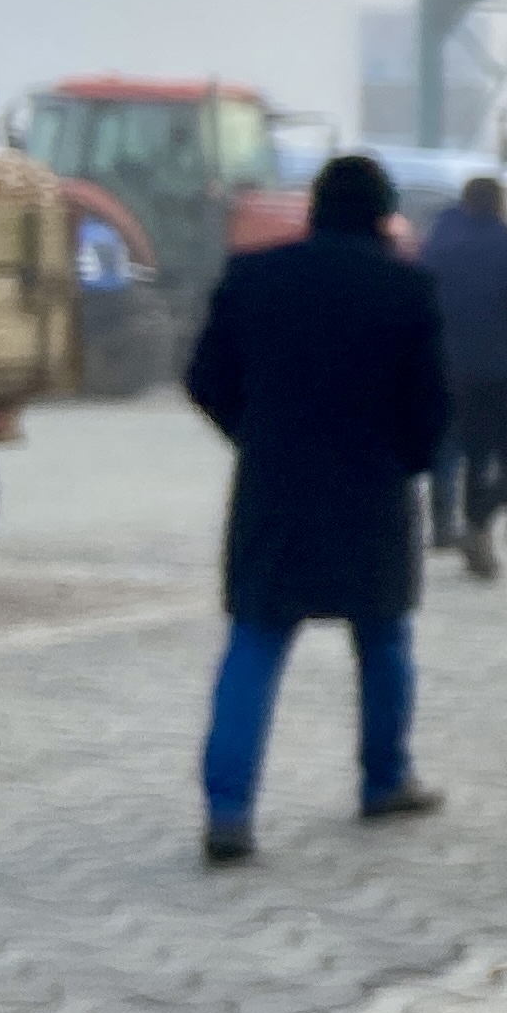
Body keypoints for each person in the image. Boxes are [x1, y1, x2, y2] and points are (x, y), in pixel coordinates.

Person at [183, 154, 450, 865]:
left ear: (314, 209)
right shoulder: (407, 288)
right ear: (384, 215)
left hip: (275, 487)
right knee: (384, 637)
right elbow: (431, 403)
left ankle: (228, 811)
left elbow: (203, 377)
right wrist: (408, 459)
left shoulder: (254, 277)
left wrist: (257, 433)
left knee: (257, 639)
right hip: (372, 487)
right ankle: (385, 778)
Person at [419, 174, 507, 579]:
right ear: (499, 204)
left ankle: (466, 527)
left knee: (471, 456)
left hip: (452, 366)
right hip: (505, 370)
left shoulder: (439, 247)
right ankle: (481, 524)